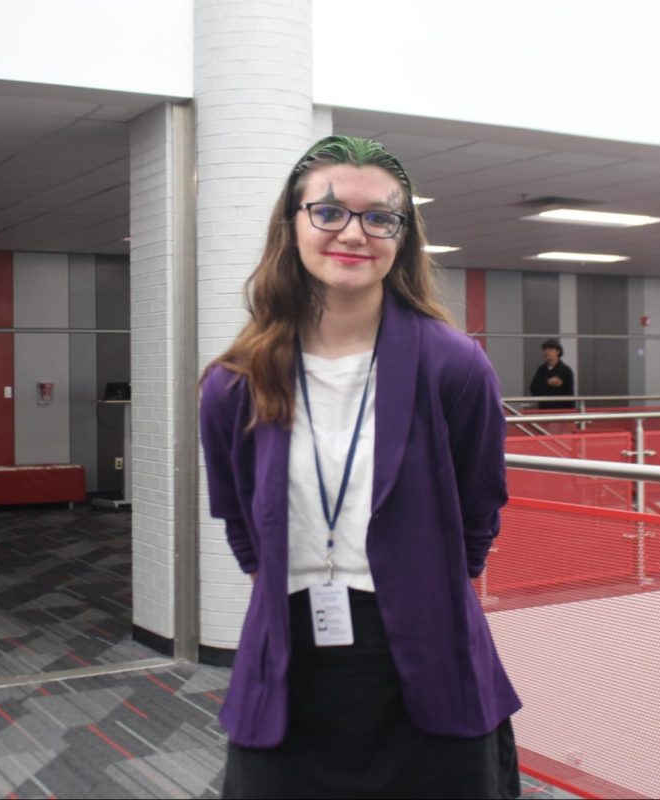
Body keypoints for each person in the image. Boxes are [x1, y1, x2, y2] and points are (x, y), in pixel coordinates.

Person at [199, 135, 521, 799]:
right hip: (290, 655)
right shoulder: (235, 382)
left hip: (426, 649)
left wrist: (423, 582)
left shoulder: (454, 366)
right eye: (330, 212)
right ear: (292, 225)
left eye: (380, 217)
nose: (355, 232)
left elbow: (478, 512)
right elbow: (239, 523)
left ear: (402, 237)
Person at [528, 338, 576, 410]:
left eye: (550, 349)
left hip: (561, 412)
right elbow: (533, 390)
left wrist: (571, 415)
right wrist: (547, 383)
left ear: (558, 351)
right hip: (544, 411)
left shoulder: (565, 370)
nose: (546, 351)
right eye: (545, 349)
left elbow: (569, 395)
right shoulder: (541, 370)